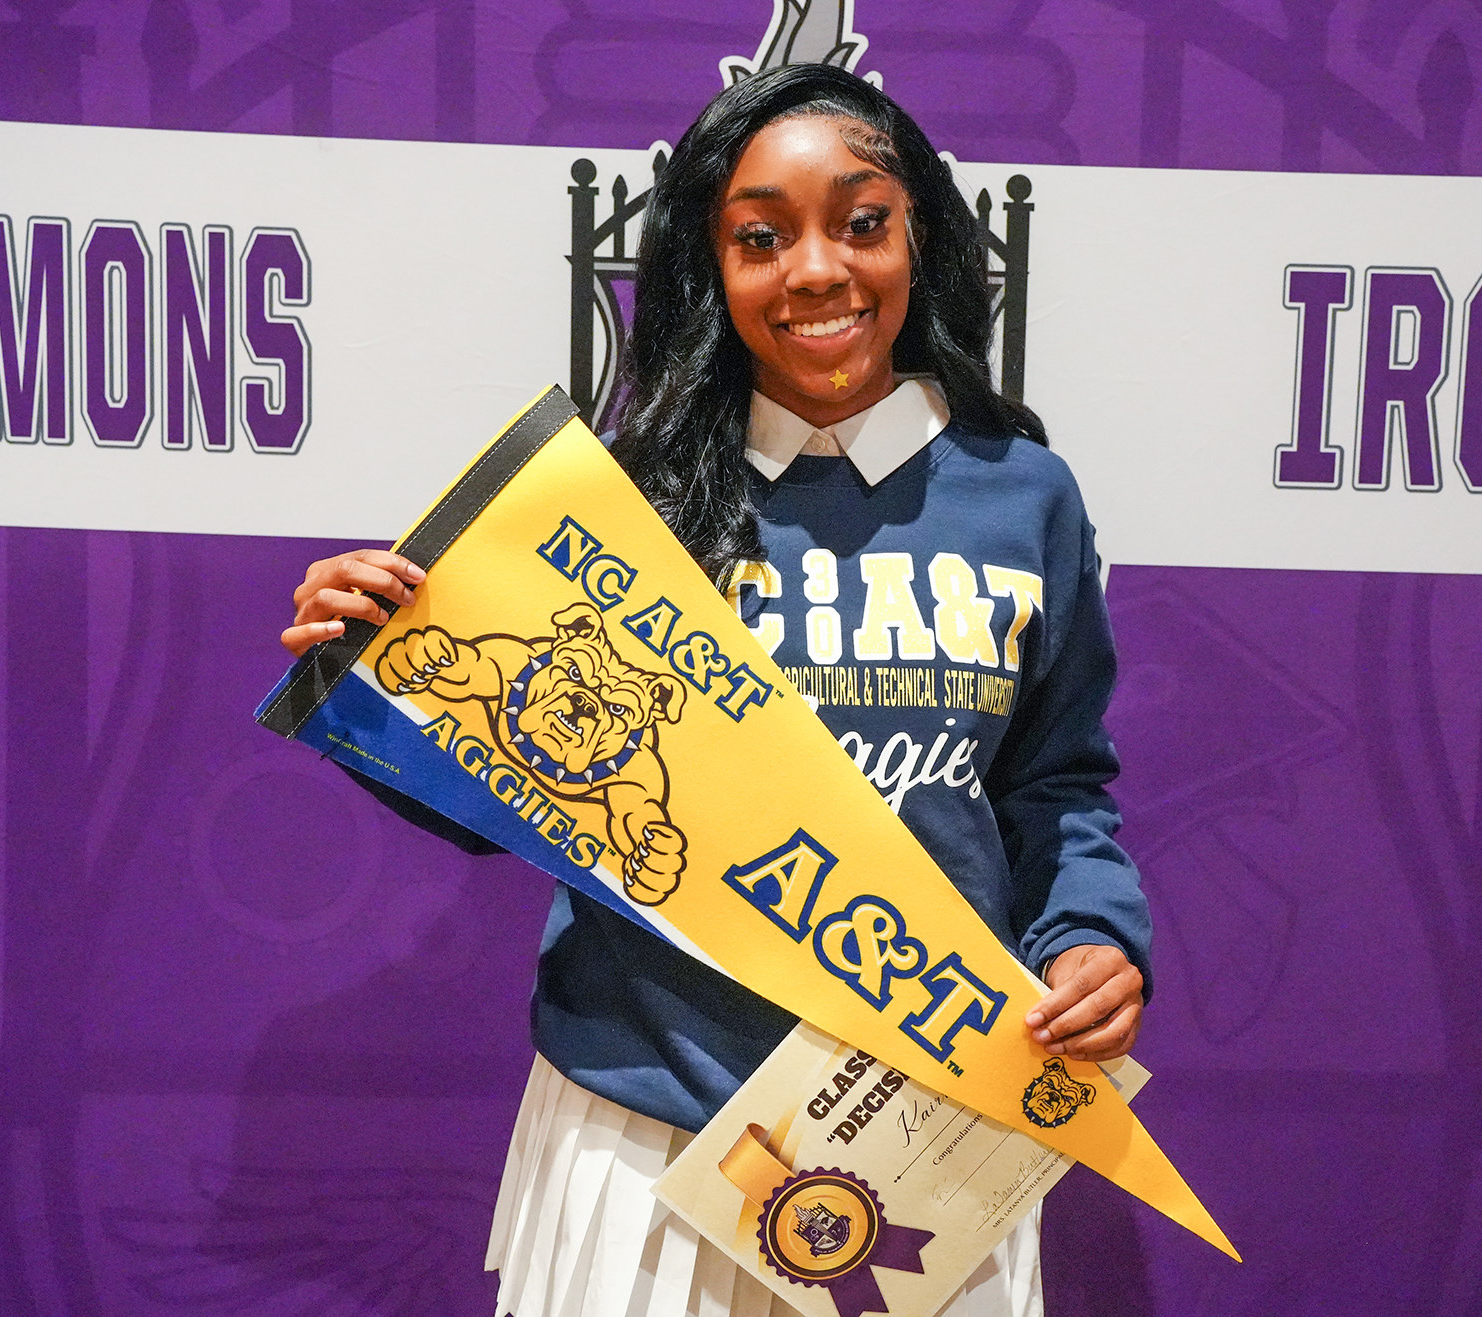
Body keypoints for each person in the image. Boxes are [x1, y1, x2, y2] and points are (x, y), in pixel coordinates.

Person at [280, 63, 1151, 1317]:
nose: (815, 271)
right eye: (759, 236)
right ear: (708, 267)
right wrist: (377, 665)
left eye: (862, 222)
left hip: (925, 1111)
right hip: (647, 1105)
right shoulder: (616, 504)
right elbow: (511, 795)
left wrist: (1092, 936)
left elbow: (1056, 780)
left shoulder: (1024, 495)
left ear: (925, 240)